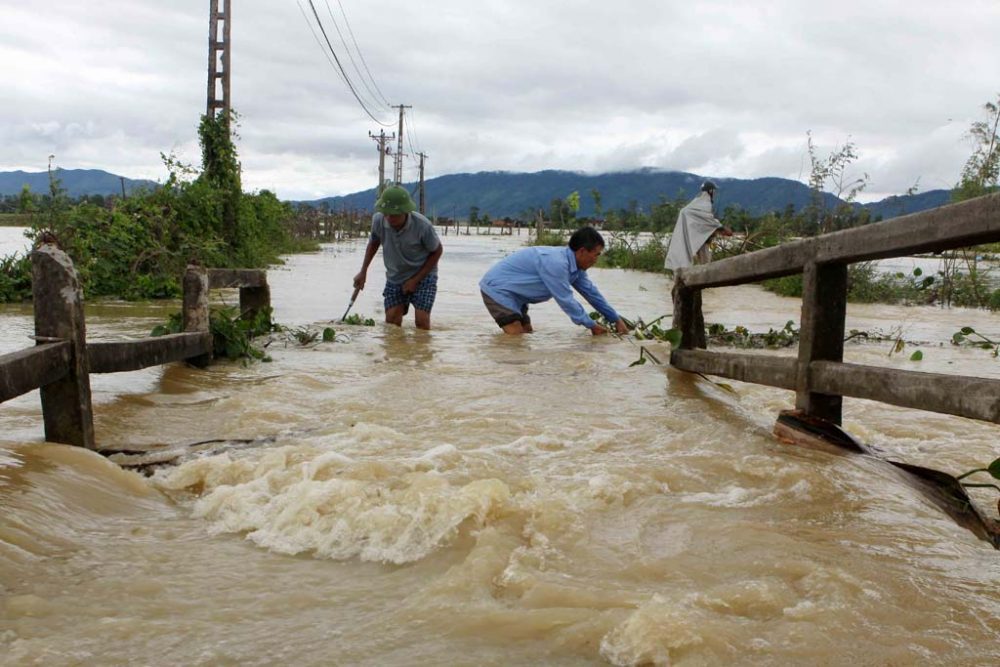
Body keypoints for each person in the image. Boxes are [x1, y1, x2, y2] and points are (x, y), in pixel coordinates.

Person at [479, 226, 630, 335]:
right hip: (498, 290)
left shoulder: (577, 269)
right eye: (596, 254)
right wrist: (592, 325)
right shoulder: (557, 263)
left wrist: (615, 319)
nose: (597, 259)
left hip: (518, 295)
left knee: (526, 333)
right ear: (582, 251)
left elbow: (592, 294)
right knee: (515, 338)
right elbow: (565, 300)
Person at [353, 185, 443, 330]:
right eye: (386, 213)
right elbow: (374, 243)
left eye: (394, 215)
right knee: (392, 323)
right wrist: (363, 271)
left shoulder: (422, 226)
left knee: (421, 322)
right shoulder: (378, 221)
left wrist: (415, 280)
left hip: (424, 275)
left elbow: (437, 251)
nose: (389, 218)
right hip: (395, 275)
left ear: (405, 212)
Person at [664, 181, 733, 271]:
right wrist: (720, 226)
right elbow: (708, 221)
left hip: (709, 240)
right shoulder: (703, 204)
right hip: (703, 241)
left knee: (708, 262)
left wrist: (717, 226)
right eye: (714, 191)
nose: (715, 193)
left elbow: (707, 221)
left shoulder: (698, 203)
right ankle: (704, 280)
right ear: (710, 191)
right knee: (706, 264)